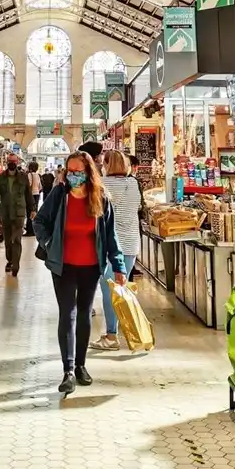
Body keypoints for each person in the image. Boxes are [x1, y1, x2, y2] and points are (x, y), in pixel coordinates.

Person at [34, 151, 127, 395]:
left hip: (91, 267)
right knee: (68, 313)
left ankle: (82, 366)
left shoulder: (101, 198)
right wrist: (48, 242)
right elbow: (39, 221)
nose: (73, 176)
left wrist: (118, 266)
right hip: (62, 266)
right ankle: (68, 370)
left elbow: (110, 235)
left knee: (84, 313)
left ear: (89, 172)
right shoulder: (59, 195)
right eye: (70, 171)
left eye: (78, 172)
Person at [91, 150, 142, 350]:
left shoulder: (102, 185)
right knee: (121, 289)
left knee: (109, 291)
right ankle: (119, 332)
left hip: (110, 246)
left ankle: (112, 336)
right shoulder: (134, 184)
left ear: (106, 165)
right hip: (130, 244)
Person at [0, 154, 34, 277]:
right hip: (5, 212)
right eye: (10, 161)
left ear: (17, 162)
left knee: (17, 239)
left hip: (19, 212)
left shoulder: (23, 177)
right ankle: (9, 260)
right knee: (8, 240)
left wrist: (32, 209)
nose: (12, 163)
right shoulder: (1, 177)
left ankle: (16, 264)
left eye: (14, 161)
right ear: (7, 162)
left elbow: (28, 195)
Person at [25, 161, 41, 236]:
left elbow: (29, 185)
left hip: (31, 195)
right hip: (37, 194)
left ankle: (30, 231)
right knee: (34, 212)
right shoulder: (37, 175)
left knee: (29, 212)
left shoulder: (29, 175)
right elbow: (40, 186)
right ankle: (34, 230)